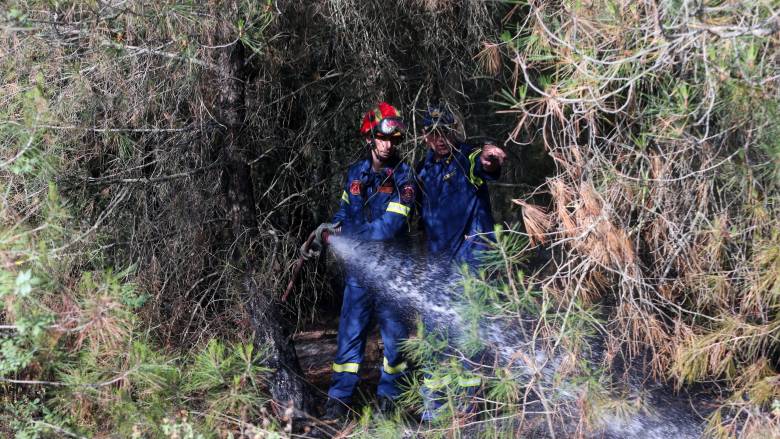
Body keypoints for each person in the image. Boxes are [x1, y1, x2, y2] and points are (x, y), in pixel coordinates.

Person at [302, 102, 416, 419]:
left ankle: (388, 403)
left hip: (393, 271)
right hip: (359, 272)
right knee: (349, 339)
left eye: (394, 140)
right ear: (370, 136)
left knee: (395, 342)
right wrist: (329, 230)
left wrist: (346, 235)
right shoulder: (356, 173)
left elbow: (387, 228)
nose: (389, 145)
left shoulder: (406, 178)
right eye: (383, 137)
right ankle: (338, 402)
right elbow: (343, 213)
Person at [414, 105, 507, 422]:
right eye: (433, 132)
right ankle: (435, 406)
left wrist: (489, 158)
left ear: (454, 130)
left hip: (471, 264)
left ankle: (471, 408)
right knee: (434, 332)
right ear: (426, 136)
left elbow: (485, 165)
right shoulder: (423, 170)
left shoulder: (466, 159)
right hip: (439, 266)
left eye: (445, 131)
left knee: (469, 333)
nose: (440, 138)